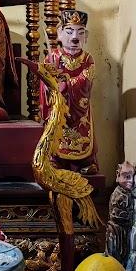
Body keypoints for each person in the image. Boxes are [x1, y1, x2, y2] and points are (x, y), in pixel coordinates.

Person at [40, 9, 98, 173]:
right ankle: (56, 160)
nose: (74, 37)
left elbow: (86, 79)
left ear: (85, 36)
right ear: (60, 33)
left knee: (84, 132)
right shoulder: (53, 57)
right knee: (56, 133)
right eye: (69, 31)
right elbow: (44, 81)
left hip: (79, 110)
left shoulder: (87, 59)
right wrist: (50, 83)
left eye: (80, 32)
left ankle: (85, 162)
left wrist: (66, 84)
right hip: (60, 108)